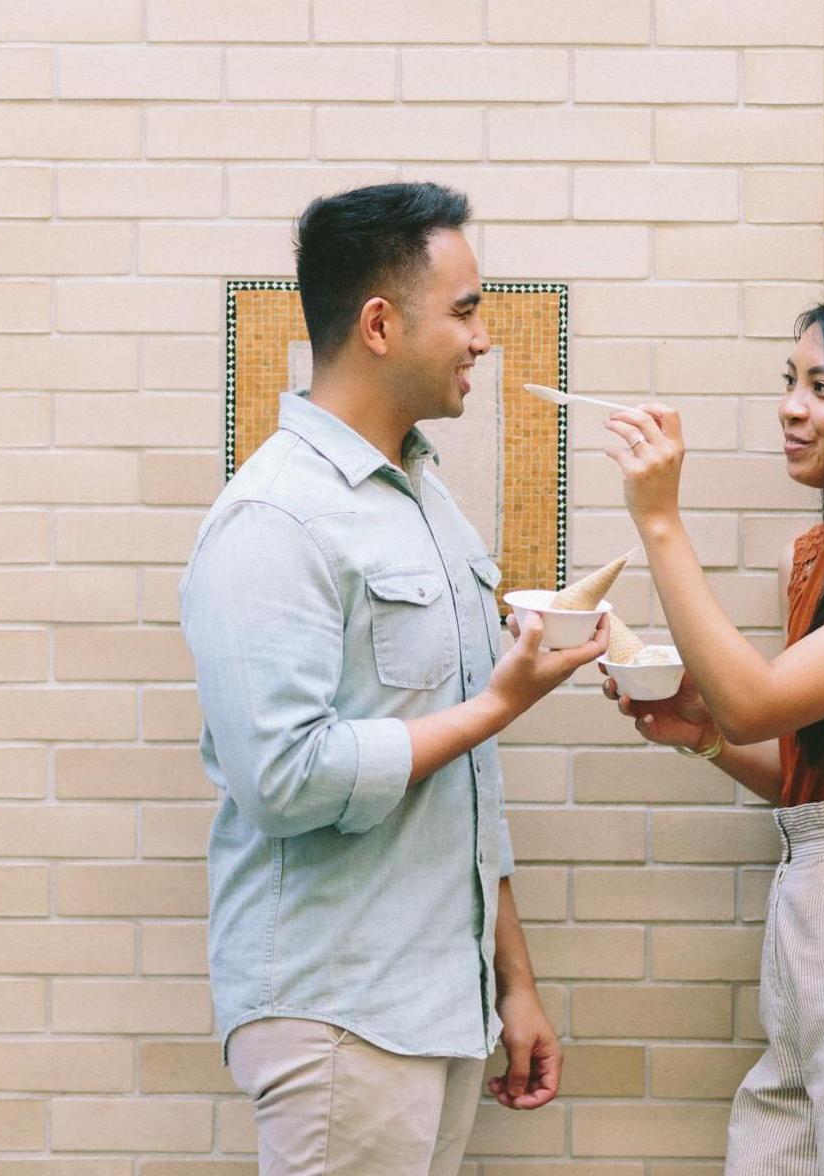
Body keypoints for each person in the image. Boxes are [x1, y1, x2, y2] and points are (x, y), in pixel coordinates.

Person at [180, 182, 608, 1175]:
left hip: (438, 1005)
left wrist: (514, 984)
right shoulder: (274, 519)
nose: (483, 338)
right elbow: (284, 777)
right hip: (339, 1011)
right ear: (379, 323)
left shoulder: (424, 501)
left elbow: (466, 789)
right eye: (464, 310)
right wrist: (500, 703)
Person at [599, 287, 824, 1175]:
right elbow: (817, 773)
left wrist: (659, 519)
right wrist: (704, 736)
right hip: (816, 894)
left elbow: (756, 699)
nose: (791, 408)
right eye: (790, 380)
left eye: (823, 387)